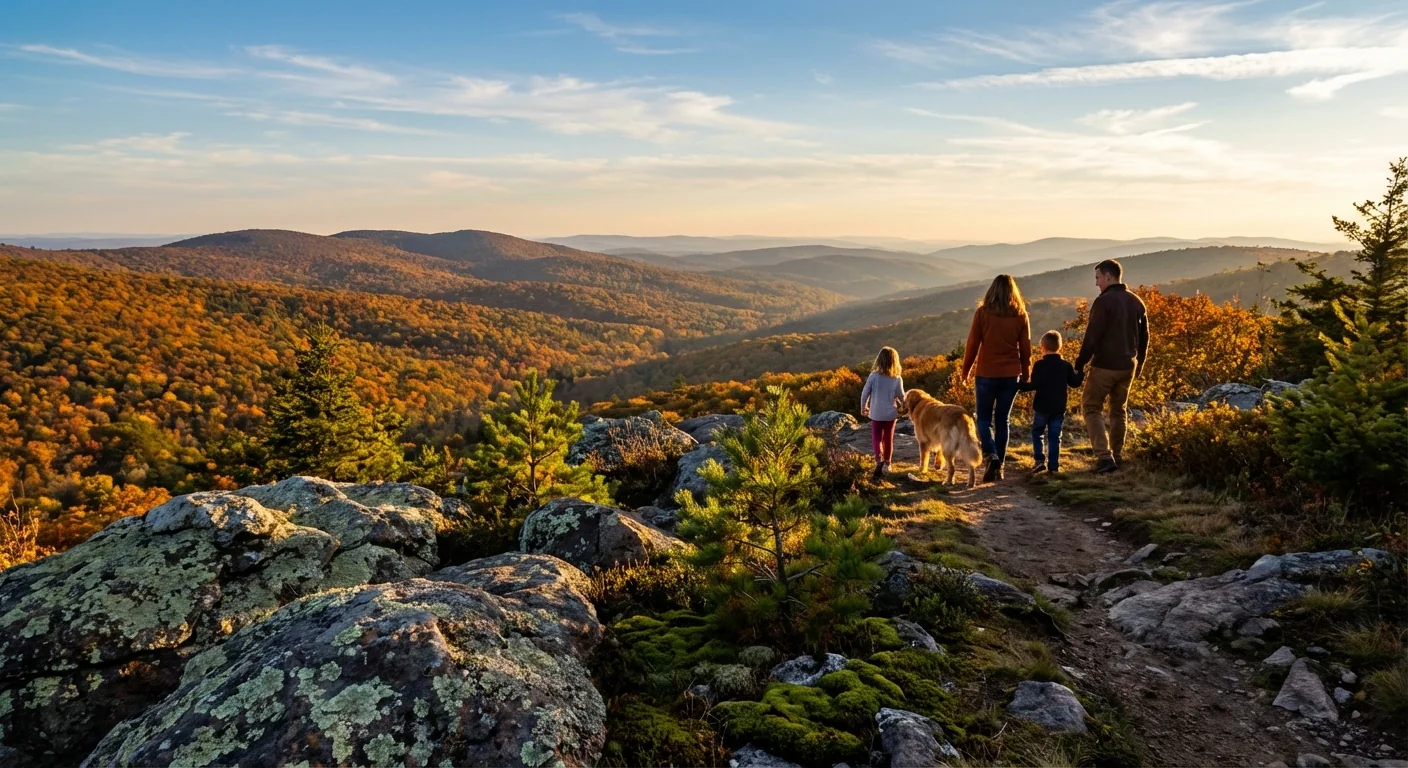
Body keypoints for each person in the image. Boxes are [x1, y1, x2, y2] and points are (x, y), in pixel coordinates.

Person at [1073, 259, 1150, 474]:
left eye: (1098, 277)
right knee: (1118, 410)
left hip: (1105, 365)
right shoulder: (1136, 302)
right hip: (1128, 366)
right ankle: (1117, 454)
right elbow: (1145, 338)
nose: (1096, 283)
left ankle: (1104, 457)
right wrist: (1140, 363)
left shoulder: (1103, 302)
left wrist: (1079, 365)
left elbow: (1092, 337)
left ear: (1108, 276)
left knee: (1091, 407)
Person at [961, 275, 1032, 482]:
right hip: (1011, 375)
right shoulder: (1020, 315)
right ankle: (999, 466)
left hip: (986, 373)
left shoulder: (983, 313)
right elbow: (1025, 349)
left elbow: (972, 345)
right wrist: (1026, 375)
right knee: (1003, 420)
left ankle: (991, 455)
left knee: (983, 419)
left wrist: (966, 371)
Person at [1020, 331, 1083, 474]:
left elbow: (1034, 385)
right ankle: (1053, 466)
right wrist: (1080, 373)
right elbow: (1074, 383)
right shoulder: (1065, 365)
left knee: (1038, 432)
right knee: (1055, 436)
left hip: (1041, 406)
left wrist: (1019, 385)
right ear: (1059, 347)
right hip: (1058, 407)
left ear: (1042, 347)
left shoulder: (1039, 365)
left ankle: (1039, 461)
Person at [861, 346, 906, 477]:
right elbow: (902, 396)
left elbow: (865, 393)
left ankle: (878, 459)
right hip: (890, 414)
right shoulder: (897, 378)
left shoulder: (873, 376)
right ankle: (887, 463)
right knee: (888, 439)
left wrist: (863, 407)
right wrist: (905, 407)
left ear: (879, 360)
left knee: (876, 438)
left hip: (876, 413)